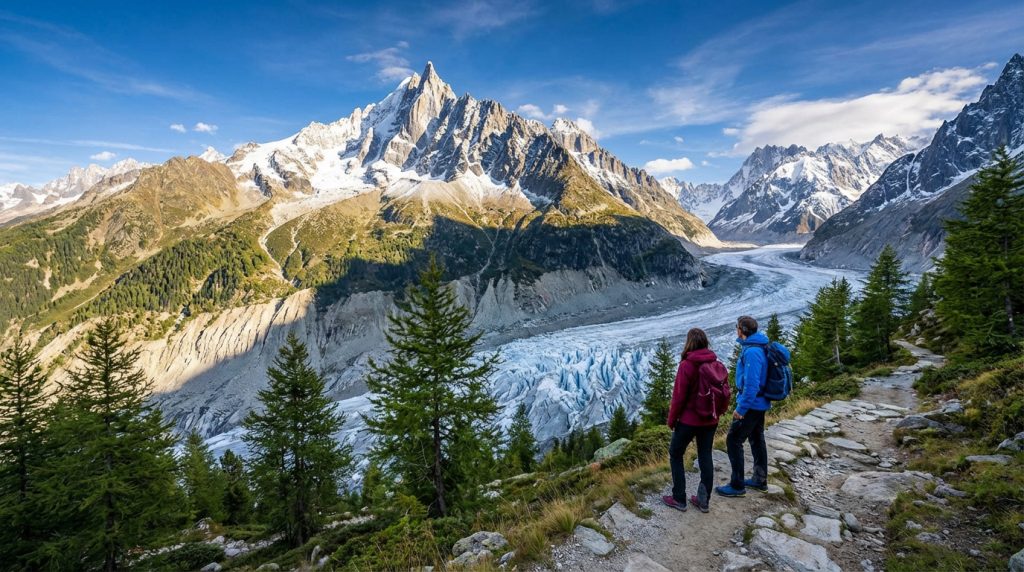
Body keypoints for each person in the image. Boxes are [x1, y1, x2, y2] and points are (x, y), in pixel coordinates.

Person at [716, 315, 787, 497]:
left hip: (752, 404)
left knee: (733, 440)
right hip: (760, 403)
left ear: (742, 330)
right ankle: (759, 479)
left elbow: (752, 385)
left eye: (737, 327)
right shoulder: (758, 345)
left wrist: (741, 408)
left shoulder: (752, 352)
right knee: (756, 438)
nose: (736, 330)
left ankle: (737, 485)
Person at [661, 328, 726, 513]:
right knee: (705, 455)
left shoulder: (687, 365)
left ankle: (678, 498)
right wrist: (718, 413)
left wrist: (672, 420)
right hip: (710, 420)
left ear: (689, 343)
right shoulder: (716, 364)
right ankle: (703, 501)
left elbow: (678, 398)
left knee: (676, 454)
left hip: (689, 421)